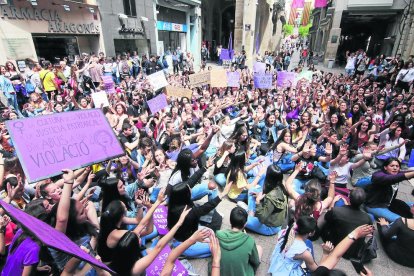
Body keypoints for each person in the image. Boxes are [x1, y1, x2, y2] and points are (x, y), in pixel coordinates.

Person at [268, 216, 334, 275]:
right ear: (311, 233)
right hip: (285, 273)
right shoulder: (304, 253)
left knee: (308, 242)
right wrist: (326, 253)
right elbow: (317, 272)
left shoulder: (286, 232)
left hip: (276, 265)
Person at [322, 188, 373, 259]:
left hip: (335, 244)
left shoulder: (336, 211)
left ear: (349, 197)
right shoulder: (368, 218)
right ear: (363, 202)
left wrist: (333, 202)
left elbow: (326, 218)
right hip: (352, 251)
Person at [213, 206, 262, 276]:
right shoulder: (249, 240)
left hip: (217, 272)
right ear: (245, 224)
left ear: (230, 221)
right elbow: (255, 262)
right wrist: (245, 237)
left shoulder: (218, 234)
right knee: (259, 248)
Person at [365, 157, 414, 222]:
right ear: (385, 167)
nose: (395, 168)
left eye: (397, 166)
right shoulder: (378, 176)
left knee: (411, 204)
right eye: (392, 166)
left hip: (389, 203)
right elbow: (393, 178)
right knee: (401, 221)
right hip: (375, 206)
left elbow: (405, 173)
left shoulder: (397, 174)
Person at [245, 165, 288, 235]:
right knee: (252, 190)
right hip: (270, 216)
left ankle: (250, 215)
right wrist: (260, 196)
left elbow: (262, 218)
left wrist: (258, 201)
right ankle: (251, 214)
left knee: (239, 220)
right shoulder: (281, 186)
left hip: (270, 227)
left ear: (269, 177)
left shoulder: (271, 197)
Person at [377, 203, 414, 268]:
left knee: (380, 225)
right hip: (412, 263)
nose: (411, 205)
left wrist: (384, 225)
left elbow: (386, 235)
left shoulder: (401, 221)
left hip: (396, 254)